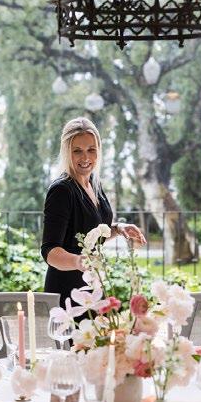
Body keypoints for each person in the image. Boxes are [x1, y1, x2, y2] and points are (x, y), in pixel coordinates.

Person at [41, 117, 146, 307]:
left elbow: (91, 232)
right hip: (67, 291)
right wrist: (78, 262)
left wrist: (118, 229)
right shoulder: (61, 190)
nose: (85, 158)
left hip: (92, 285)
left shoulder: (93, 183)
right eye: (77, 151)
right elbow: (50, 251)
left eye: (91, 150)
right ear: (66, 152)